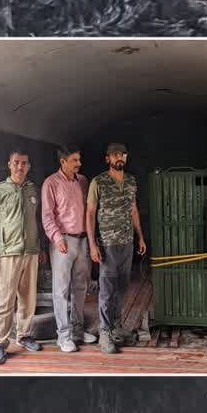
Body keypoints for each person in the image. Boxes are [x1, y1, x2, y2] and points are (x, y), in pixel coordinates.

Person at [0, 149, 43, 364]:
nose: (20, 167)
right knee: (5, 300)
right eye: (16, 162)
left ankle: (24, 335)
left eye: (24, 163)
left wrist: (39, 248)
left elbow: (36, 223)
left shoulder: (32, 189)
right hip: (8, 253)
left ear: (28, 166)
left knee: (28, 298)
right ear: (9, 164)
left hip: (31, 252)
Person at [85, 142, 146, 354]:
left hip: (127, 243)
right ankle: (104, 331)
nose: (120, 158)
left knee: (122, 287)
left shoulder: (130, 181)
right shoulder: (98, 182)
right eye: (115, 155)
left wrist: (140, 237)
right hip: (107, 245)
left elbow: (134, 210)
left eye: (123, 154)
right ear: (108, 159)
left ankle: (117, 326)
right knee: (107, 290)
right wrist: (92, 244)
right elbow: (91, 214)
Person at [41, 144, 95, 352]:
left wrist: (90, 239)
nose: (79, 164)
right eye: (74, 160)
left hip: (82, 239)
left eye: (79, 160)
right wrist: (56, 238)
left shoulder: (83, 181)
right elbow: (47, 215)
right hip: (63, 241)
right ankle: (63, 337)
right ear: (63, 162)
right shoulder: (50, 183)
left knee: (80, 287)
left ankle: (78, 331)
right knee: (61, 289)